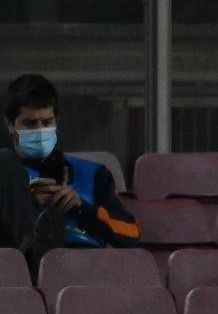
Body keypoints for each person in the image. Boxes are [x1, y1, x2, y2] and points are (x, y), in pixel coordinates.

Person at [5, 73, 139, 248]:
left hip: (88, 265)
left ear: (56, 122)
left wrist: (81, 207)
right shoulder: (5, 176)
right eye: (30, 124)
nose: (40, 130)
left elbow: (131, 233)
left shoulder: (94, 174)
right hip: (25, 268)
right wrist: (25, 204)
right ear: (10, 125)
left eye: (47, 122)